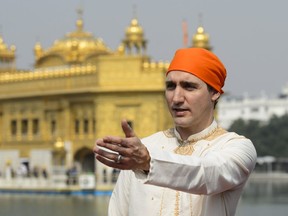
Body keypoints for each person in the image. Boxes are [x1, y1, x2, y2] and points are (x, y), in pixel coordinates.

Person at [93, 48, 257, 216]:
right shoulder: (143, 148)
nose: (177, 98)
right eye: (171, 87)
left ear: (214, 92)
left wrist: (149, 163)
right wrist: (144, 160)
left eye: (189, 87)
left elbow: (209, 175)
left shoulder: (235, 148)